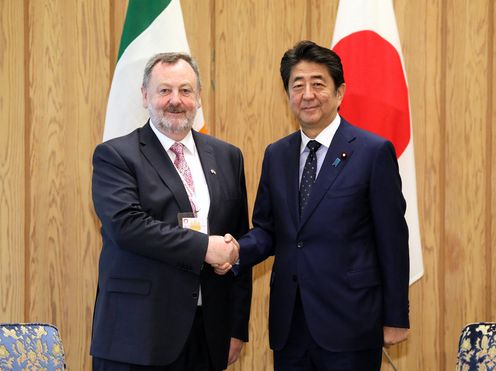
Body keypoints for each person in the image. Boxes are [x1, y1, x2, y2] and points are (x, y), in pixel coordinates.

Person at [220, 40, 410, 370]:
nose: (308, 94)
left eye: (318, 83)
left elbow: (392, 240)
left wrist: (395, 316)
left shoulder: (372, 152)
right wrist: (236, 250)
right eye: (298, 85)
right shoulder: (276, 154)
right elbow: (267, 229)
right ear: (288, 95)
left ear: (339, 92)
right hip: (290, 324)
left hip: (351, 322)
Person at [90, 52, 252, 371]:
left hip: (207, 335)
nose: (175, 100)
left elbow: (238, 243)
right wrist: (206, 248)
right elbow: (127, 226)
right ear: (145, 96)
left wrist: (236, 327)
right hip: (137, 336)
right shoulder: (116, 155)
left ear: (198, 97)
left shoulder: (228, 157)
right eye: (164, 90)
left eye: (186, 90)